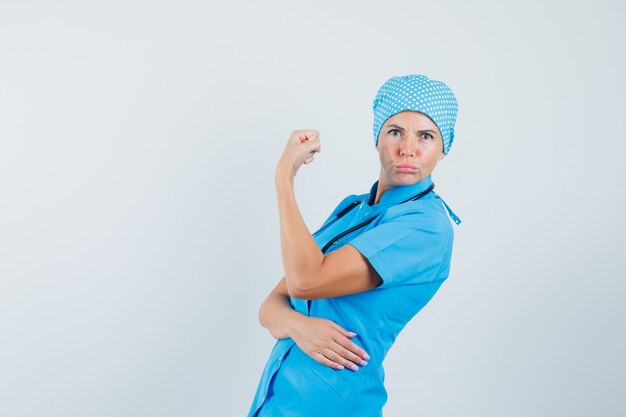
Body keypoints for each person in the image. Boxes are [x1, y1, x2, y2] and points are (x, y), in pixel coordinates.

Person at [247, 74, 461, 417]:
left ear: (444, 146)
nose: (408, 148)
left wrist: (284, 175)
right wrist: (297, 326)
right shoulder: (353, 208)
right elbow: (271, 305)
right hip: (277, 398)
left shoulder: (425, 227)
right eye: (395, 131)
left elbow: (305, 282)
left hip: (331, 405)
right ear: (376, 138)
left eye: (425, 135)